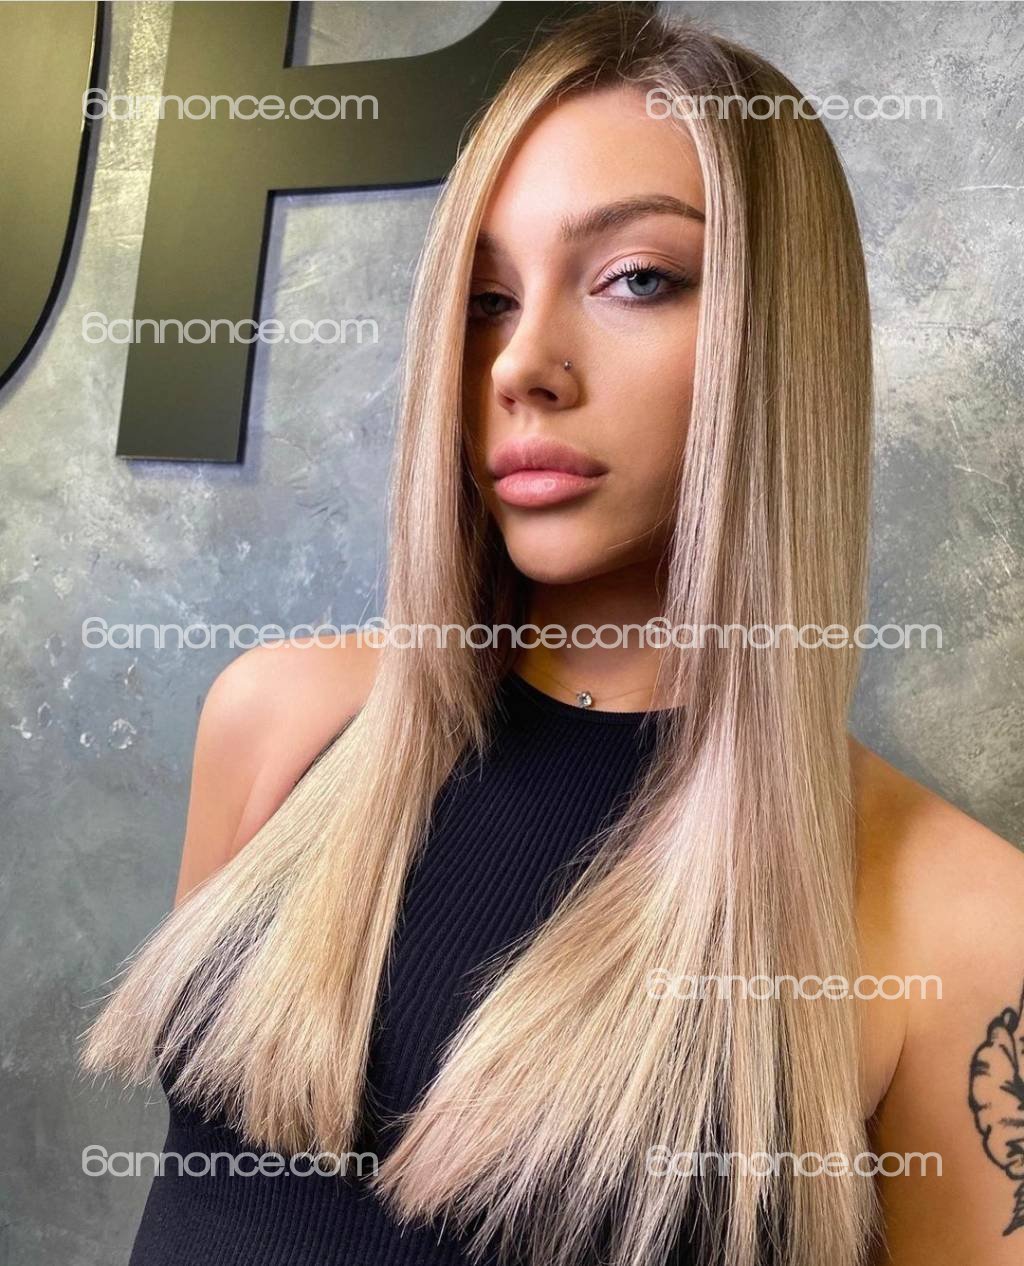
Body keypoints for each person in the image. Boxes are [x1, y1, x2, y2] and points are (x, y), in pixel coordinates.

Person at [80, 6, 1024, 1265]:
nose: (520, 364)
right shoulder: (282, 720)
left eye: (637, 277)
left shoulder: (964, 921)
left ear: (780, 338)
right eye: (485, 298)